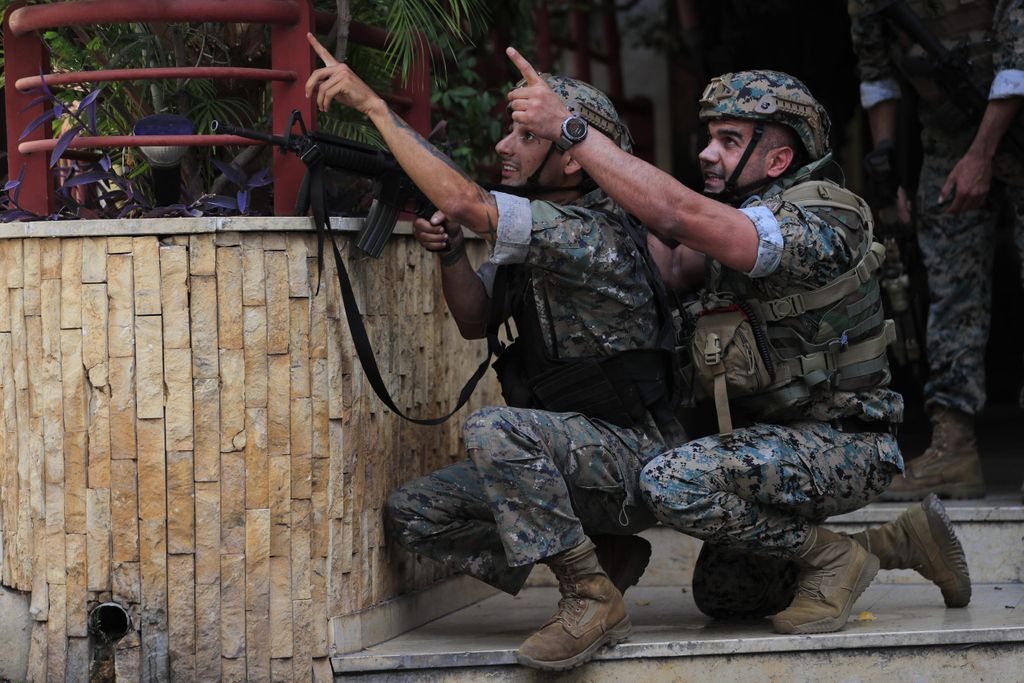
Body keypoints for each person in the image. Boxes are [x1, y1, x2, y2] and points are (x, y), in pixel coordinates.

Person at [506, 56, 971, 634]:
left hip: (847, 443)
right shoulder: (741, 215)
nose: (707, 153)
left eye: (728, 140)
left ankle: (834, 557)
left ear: (778, 158)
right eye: (709, 137)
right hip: (773, 442)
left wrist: (574, 133)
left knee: (672, 480)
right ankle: (900, 541)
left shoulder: (821, 216)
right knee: (726, 596)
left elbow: (677, 214)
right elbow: (668, 261)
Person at [303, 34, 682, 671]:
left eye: (527, 138)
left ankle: (588, 595)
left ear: (573, 163)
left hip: (636, 459)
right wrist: (452, 254)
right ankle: (600, 555)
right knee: (415, 513)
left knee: (495, 430)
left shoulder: (590, 231)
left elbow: (466, 201)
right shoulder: (539, 227)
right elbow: (478, 321)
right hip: (575, 459)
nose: (505, 147)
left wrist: (374, 108)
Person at [848, 0, 1024, 501]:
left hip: (1014, 123)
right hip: (947, 136)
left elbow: (1018, 62)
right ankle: (954, 449)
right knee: (949, 288)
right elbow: (876, 72)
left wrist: (982, 156)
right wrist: (885, 165)